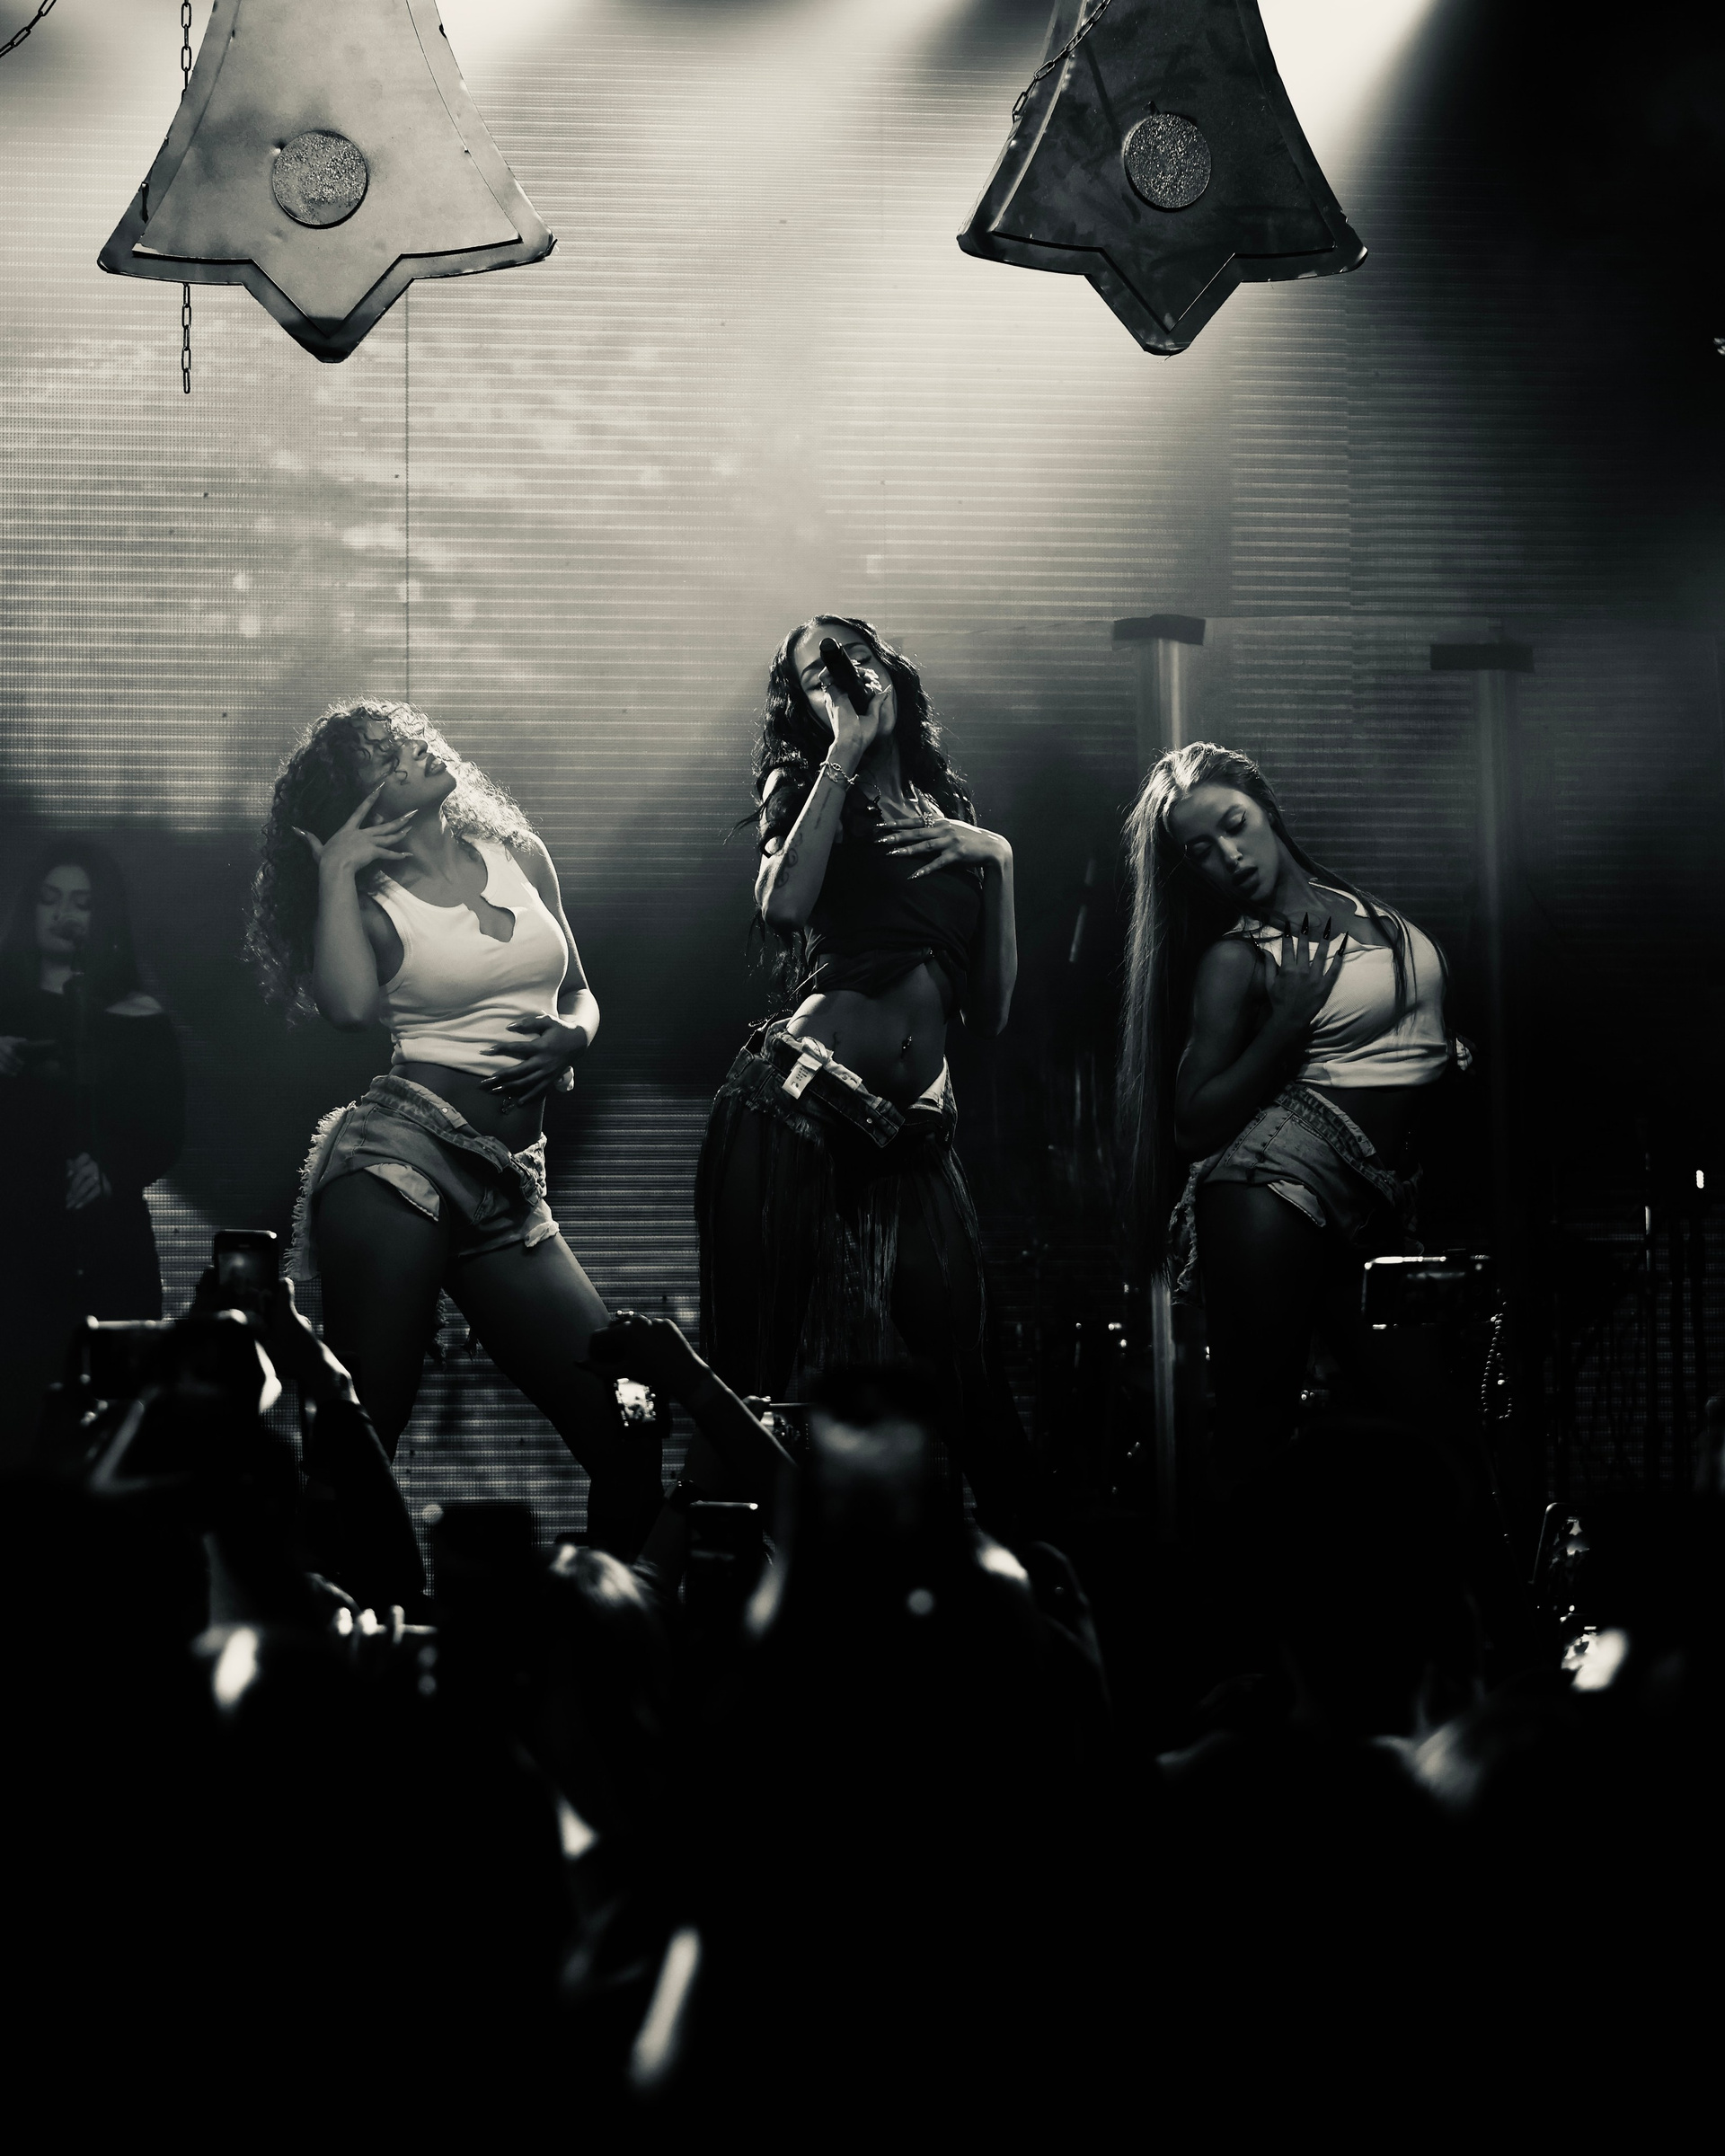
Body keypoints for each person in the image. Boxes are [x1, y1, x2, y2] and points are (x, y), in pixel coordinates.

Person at [244, 695, 661, 1557]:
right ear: (359, 800)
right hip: (401, 1165)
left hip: (509, 1183)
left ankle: (606, 1620)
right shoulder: (370, 905)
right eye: (383, 754)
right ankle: (333, 1622)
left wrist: (573, 1038)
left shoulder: (517, 853)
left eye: (407, 735)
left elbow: (579, 991)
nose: (413, 748)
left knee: (629, 1419)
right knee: (362, 1440)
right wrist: (336, 870)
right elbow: (349, 1010)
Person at [694, 615, 1039, 1532]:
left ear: (890, 667)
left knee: (971, 1385)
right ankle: (704, 1596)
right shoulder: (806, 786)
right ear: (805, 708)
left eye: (852, 657)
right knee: (750, 1383)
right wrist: (843, 751)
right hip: (796, 1103)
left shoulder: (949, 815)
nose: (841, 679)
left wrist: (998, 860)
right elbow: (783, 906)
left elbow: (991, 1014)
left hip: (916, 1131)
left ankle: (1036, 1600)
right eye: (816, 678)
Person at [1119, 740, 1467, 1495]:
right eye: (1202, 851)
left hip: (1376, 1195)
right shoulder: (1238, 960)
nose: (1229, 857)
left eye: (1234, 825)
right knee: (1257, 1434)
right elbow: (1191, 1124)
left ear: (1267, 809)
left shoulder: (1364, 908)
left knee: (1436, 1430)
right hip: (1275, 1184)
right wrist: (1284, 1025)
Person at [0, 840, 183, 1455]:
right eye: (50, 899)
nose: (64, 915)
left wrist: (112, 1170)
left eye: (82, 903)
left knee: (111, 1421)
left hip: (107, 1246)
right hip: (13, 1247)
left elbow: (165, 1130)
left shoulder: (142, 1017)